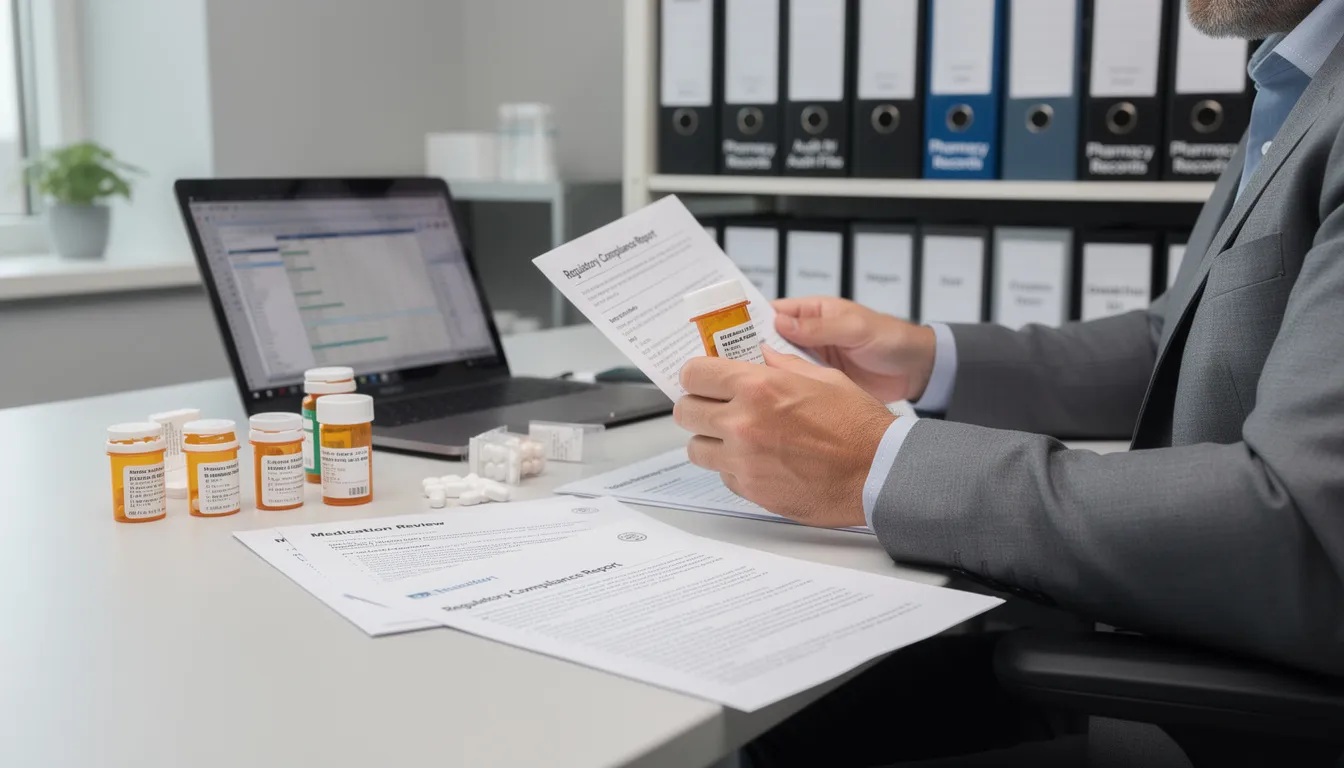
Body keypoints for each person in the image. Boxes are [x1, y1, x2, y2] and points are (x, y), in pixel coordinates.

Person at [674, 0, 1344, 763]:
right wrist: (927, 356)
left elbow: (1307, 524)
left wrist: (875, 464)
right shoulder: (1293, 73)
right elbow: (1178, 343)